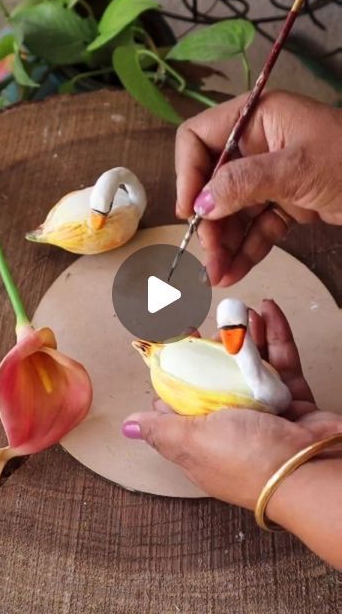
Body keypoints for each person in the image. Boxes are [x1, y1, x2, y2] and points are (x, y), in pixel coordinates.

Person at [122, 91, 342, 570]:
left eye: (233, 335)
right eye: (231, 335)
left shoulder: (260, 376)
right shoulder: (263, 379)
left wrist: (282, 485)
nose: (234, 344)